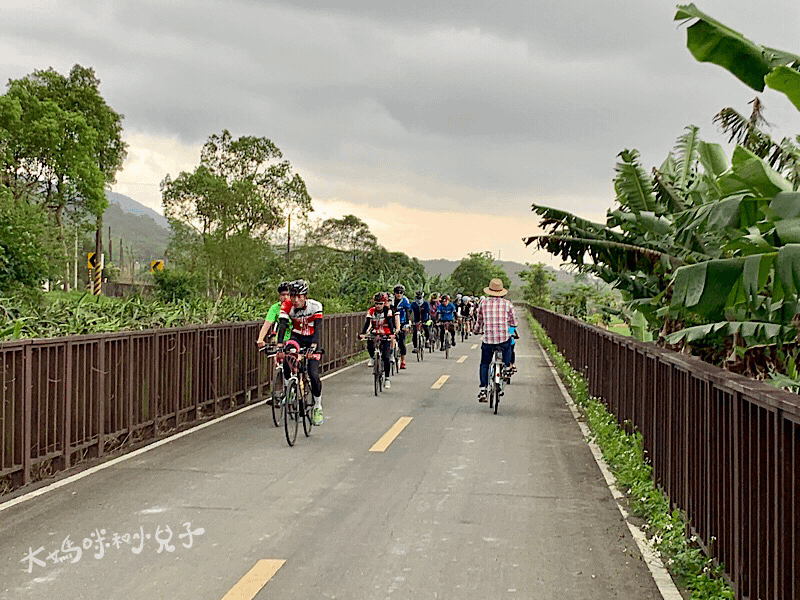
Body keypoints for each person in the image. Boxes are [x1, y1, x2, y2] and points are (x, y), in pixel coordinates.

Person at [275, 279, 325, 425]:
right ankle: (289, 389)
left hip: (312, 338)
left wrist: (314, 346)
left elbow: (318, 328)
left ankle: (317, 406)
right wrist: (279, 345)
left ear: (305, 296)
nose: (295, 300)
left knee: (313, 374)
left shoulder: (315, 306)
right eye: (293, 296)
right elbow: (283, 326)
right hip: (296, 336)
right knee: (287, 356)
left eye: (299, 296)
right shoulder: (287, 306)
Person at [473, 278, 517, 402]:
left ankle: (483, 390)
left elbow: (479, 321)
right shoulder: (507, 304)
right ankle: (507, 367)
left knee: (485, 363)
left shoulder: (483, 303)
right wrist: (511, 329)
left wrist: (476, 330)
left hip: (488, 339)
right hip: (503, 338)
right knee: (508, 345)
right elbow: (513, 322)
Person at [361, 292, 396, 388]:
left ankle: (387, 379)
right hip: (375, 331)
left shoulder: (388, 311)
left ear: (384, 303)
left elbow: (390, 323)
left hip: (385, 332)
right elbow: (367, 323)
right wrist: (362, 333)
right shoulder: (371, 311)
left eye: (380, 303)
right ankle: (372, 357)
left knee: (386, 357)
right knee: (369, 342)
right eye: (376, 303)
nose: (378, 306)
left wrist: (392, 334)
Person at [391, 284, 412, 369]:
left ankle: (403, 361)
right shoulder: (392, 301)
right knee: (391, 339)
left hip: (403, 321)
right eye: (397, 292)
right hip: (392, 322)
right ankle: (391, 355)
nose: (399, 294)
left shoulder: (405, 301)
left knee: (402, 343)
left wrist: (407, 324)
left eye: (401, 292)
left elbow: (408, 312)